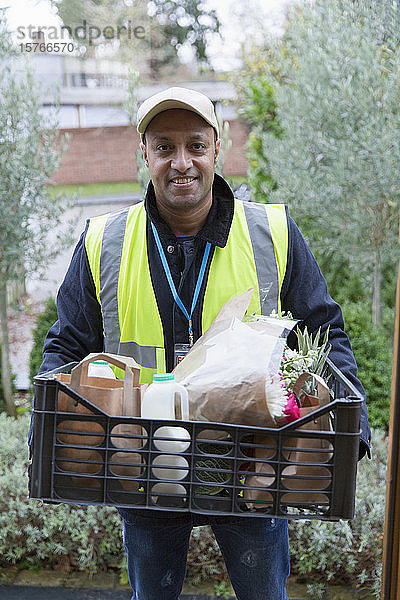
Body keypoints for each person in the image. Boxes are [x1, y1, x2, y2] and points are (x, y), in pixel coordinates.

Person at [35, 87, 371, 600]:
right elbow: (65, 347)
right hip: (143, 469)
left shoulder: (272, 232)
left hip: (253, 469)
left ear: (218, 149)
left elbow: (325, 335)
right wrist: (54, 431)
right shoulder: (104, 241)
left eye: (195, 144)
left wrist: (352, 430)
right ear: (144, 155)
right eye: (164, 147)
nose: (181, 162)